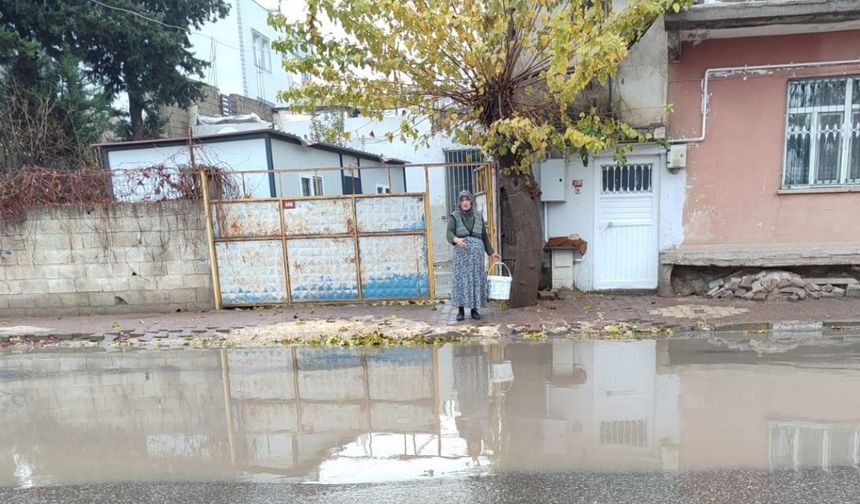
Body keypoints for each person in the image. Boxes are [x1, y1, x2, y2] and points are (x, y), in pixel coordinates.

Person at [447, 190, 501, 321]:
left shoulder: (478, 216)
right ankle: (460, 310)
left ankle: (474, 309)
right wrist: (456, 240)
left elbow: (484, 236)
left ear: (471, 201)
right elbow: (449, 232)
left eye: (467, 199)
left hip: (476, 256)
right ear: (459, 203)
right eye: (462, 200)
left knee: (475, 280)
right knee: (461, 280)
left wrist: (492, 253)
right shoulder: (454, 216)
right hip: (461, 254)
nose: (465, 202)